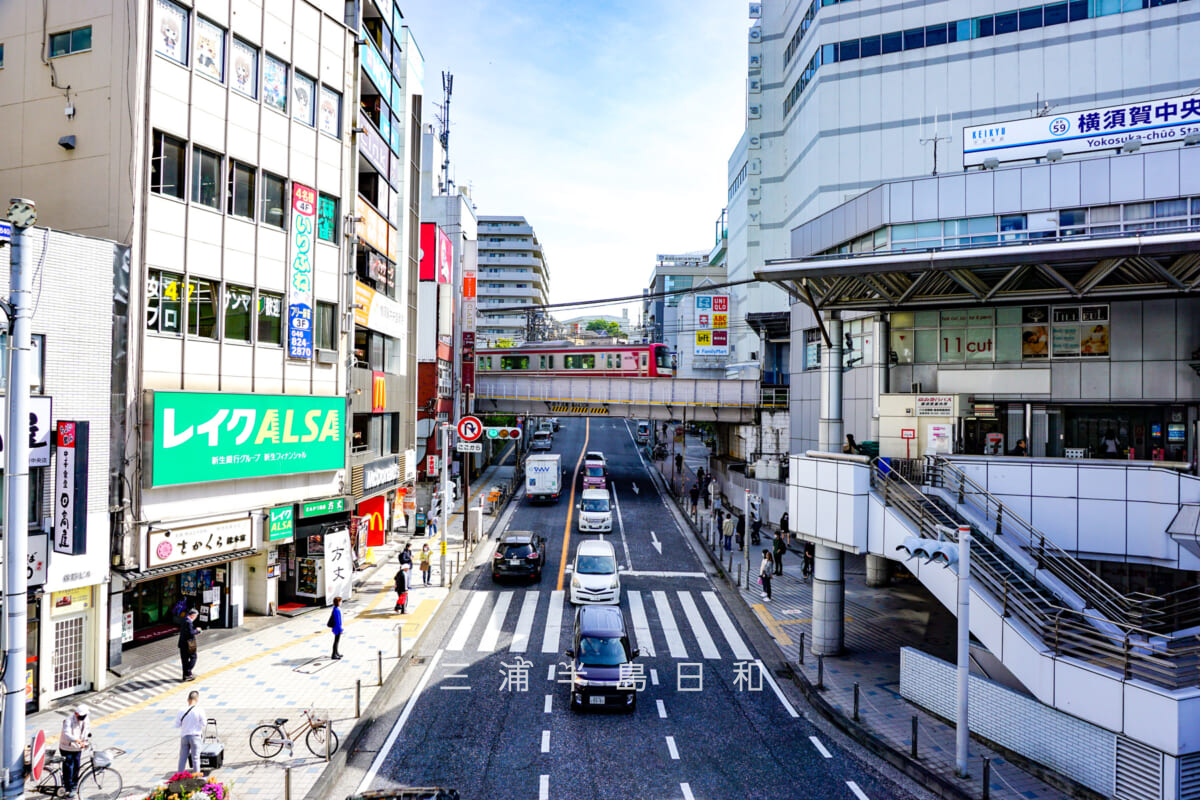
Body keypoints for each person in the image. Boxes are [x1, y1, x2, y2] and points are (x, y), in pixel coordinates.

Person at [59, 705, 90, 794]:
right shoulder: (68, 720)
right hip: (66, 747)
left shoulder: (85, 719)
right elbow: (67, 733)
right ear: (76, 714)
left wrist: (84, 742)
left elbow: (86, 730)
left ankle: (74, 785)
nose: (83, 717)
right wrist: (77, 740)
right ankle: (68, 786)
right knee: (69, 767)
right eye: (81, 716)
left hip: (77, 748)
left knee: (77, 766)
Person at [175, 690, 206, 773]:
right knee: (195, 758)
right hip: (195, 736)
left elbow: (177, 725)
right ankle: (196, 777)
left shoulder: (181, 710)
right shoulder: (200, 710)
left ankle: (179, 776)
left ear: (188, 699)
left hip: (185, 736)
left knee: (182, 758)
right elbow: (204, 724)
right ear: (197, 699)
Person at [178, 609, 200, 682]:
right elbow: (191, 633)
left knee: (184, 660)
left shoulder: (184, 620)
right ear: (192, 615)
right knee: (194, 657)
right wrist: (197, 631)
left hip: (182, 643)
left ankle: (186, 676)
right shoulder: (189, 622)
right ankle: (188, 672)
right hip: (190, 644)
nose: (196, 617)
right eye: (196, 616)